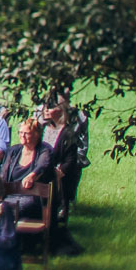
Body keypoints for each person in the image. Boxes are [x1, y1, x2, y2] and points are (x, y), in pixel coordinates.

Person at [41, 92, 89, 256]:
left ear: (61, 110)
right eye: (46, 106)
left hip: (59, 173)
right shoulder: (41, 128)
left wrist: (58, 172)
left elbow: (71, 158)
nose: (46, 110)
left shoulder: (68, 133)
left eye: (51, 107)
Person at [0, 118, 53, 223]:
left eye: (26, 133)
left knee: (13, 210)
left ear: (36, 134)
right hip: (11, 195)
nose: (22, 136)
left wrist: (32, 175)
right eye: (20, 132)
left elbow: (43, 164)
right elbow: (4, 173)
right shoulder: (14, 150)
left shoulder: (44, 149)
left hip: (32, 196)